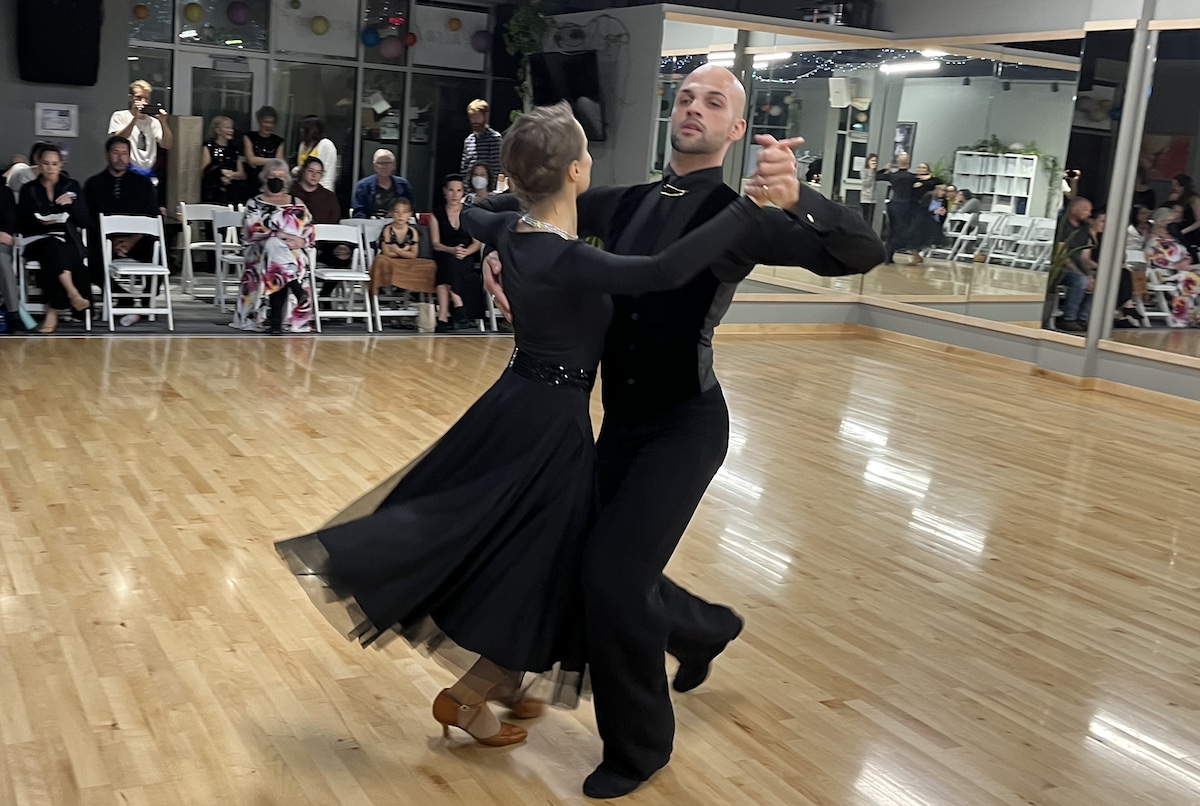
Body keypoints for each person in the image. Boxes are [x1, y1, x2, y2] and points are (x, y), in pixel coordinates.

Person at [274, 99, 770, 757]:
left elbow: (478, 211)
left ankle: (498, 684)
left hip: (513, 402)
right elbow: (661, 273)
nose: (591, 163)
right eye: (585, 156)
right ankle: (479, 691)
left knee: (527, 555)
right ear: (574, 172)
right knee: (543, 564)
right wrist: (747, 210)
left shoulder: (509, 231)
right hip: (550, 427)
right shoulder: (566, 257)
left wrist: (525, 177)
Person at [482, 64, 884, 798]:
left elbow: (861, 254)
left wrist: (799, 197)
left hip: (685, 428)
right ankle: (702, 630)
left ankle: (641, 749)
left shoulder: (746, 214)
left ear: (736, 130)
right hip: (619, 425)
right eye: (686, 96)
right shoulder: (628, 200)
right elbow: (519, 207)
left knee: (611, 574)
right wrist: (498, 249)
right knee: (601, 564)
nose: (694, 107)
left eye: (715, 101)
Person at [83, 135, 161, 328]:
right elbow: (88, 218)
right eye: (116, 153)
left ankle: (145, 303)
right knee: (87, 258)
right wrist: (111, 239)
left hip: (137, 239)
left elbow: (152, 214)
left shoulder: (143, 184)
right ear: (107, 155)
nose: (120, 158)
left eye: (124, 154)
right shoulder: (93, 184)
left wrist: (132, 239)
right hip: (104, 239)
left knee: (160, 251)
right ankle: (122, 295)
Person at [232, 159, 314, 335]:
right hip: (259, 252)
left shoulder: (297, 203)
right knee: (273, 246)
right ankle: (294, 289)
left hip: (292, 253)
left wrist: (301, 241)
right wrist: (284, 236)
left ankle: (276, 320)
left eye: (280, 176)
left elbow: (309, 232)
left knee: (278, 255)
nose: (276, 180)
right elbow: (254, 230)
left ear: (287, 180)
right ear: (264, 179)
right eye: (272, 176)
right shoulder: (254, 203)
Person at [17, 144, 92, 334]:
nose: (50, 168)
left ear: (61, 165)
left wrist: (72, 205)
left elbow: (85, 220)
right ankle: (73, 293)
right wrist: (40, 221)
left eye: (54, 163)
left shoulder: (71, 186)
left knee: (58, 250)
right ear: (39, 165)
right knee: (54, 246)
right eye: (46, 163)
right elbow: (21, 221)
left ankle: (52, 311)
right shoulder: (29, 189)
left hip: (65, 238)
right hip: (36, 239)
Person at [429, 174, 483, 331]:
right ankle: (458, 305)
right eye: (451, 190)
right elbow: (435, 243)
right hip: (444, 251)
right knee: (448, 260)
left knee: (447, 271)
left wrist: (465, 252)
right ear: (445, 191)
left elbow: (477, 243)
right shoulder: (436, 214)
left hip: (465, 255)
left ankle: (443, 317)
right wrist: (451, 250)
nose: (454, 194)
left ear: (463, 193)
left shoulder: (469, 213)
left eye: (458, 190)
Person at [108, 80, 173, 181]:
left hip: (149, 172)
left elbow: (167, 145)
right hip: (127, 171)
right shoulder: (120, 116)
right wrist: (134, 118)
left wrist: (164, 123)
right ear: (131, 98)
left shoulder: (153, 122)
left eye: (146, 98)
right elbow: (118, 140)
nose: (143, 102)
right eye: (138, 97)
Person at [1144, 206, 1198, 327]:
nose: (1175, 223)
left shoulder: (1174, 237)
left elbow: (1185, 253)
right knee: (1188, 279)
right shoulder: (1154, 239)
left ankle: (1195, 316)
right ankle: (1181, 318)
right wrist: (1177, 266)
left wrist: (1185, 261)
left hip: (1181, 270)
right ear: (1161, 222)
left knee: (1194, 275)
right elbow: (1155, 259)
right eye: (1171, 220)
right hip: (1162, 272)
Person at [0, 174, 37, 333]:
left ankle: (13, 313)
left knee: (1, 258)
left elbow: (10, 221)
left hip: (1, 243)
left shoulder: (3, 191)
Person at [1055, 197, 1098, 332]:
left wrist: (1090, 275)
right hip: (1060, 267)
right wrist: (1081, 274)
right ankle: (1069, 318)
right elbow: (1062, 255)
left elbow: (1084, 257)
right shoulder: (1061, 226)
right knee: (1080, 280)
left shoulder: (1084, 230)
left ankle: (1083, 318)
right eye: (1085, 210)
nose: (1089, 214)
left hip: (1078, 267)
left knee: (1097, 279)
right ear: (1074, 210)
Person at [879, 152, 920, 263]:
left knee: (892, 230)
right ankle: (914, 253)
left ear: (897, 163)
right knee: (907, 230)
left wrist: (885, 169)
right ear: (908, 163)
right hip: (907, 206)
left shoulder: (893, 176)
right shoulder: (912, 177)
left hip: (894, 205)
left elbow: (877, 177)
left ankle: (888, 257)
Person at [350, 149, 413, 219]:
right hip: (371, 224)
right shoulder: (363, 186)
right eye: (380, 163)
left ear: (394, 166)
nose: (384, 166)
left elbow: (411, 209)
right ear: (374, 166)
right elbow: (359, 212)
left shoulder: (403, 185)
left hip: (397, 224)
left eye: (388, 163)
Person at [201, 115, 246, 205]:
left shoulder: (235, 149)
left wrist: (230, 175)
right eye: (227, 128)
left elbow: (242, 174)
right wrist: (220, 174)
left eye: (232, 128)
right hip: (212, 191)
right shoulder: (208, 147)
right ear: (217, 130)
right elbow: (203, 170)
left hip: (232, 191)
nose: (231, 131)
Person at [243, 106, 285, 194]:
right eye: (266, 122)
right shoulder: (249, 137)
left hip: (270, 182)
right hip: (251, 181)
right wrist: (273, 160)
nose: (269, 125)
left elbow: (279, 164)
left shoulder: (278, 141)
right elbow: (251, 160)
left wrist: (258, 160)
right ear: (259, 122)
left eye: (272, 123)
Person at [460, 99, 503, 183]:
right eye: (472, 117)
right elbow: (465, 168)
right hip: (471, 188)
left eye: (478, 117)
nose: (475, 121)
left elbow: (496, 168)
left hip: (488, 189)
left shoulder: (494, 138)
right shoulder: (469, 140)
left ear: (485, 116)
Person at [291, 157, 341, 225]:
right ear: (303, 171)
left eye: (318, 172)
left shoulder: (329, 197)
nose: (314, 175)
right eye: (311, 171)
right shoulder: (290, 192)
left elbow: (334, 223)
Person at [297, 116, 337, 193]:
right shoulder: (303, 145)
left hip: (319, 190)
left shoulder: (326, 144)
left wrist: (324, 192)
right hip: (302, 188)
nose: (300, 130)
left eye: (303, 128)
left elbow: (328, 174)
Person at [1168, 174, 1200, 261]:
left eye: (1176, 185)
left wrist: (1182, 232)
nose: (1173, 188)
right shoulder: (1179, 198)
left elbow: (1198, 222)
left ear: (1183, 186)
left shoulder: (1194, 199)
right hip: (1180, 225)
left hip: (1191, 230)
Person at [859, 153, 878, 226]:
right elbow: (866, 183)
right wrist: (870, 171)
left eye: (875, 161)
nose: (874, 162)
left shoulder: (874, 172)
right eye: (872, 160)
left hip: (873, 198)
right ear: (868, 161)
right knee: (865, 217)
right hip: (865, 198)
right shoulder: (864, 171)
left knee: (871, 219)